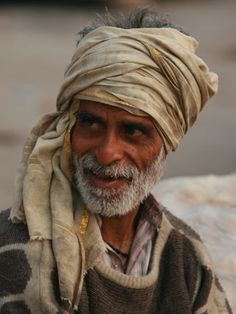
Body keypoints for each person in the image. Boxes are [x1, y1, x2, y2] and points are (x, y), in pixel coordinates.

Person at [0, 8, 232, 314]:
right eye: (91, 124)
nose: (107, 153)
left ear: (167, 141)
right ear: (68, 127)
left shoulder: (186, 258)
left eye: (133, 131)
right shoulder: (14, 251)